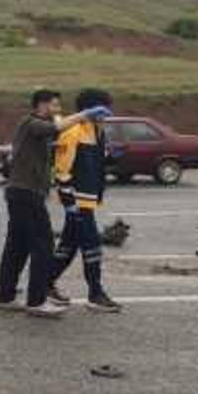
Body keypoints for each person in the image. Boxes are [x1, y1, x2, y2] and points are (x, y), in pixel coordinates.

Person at [0, 89, 111, 318]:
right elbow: (55, 129)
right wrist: (84, 114)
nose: (58, 111)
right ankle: (37, 301)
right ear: (42, 105)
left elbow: (57, 135)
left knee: (17, 247)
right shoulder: (31, 123)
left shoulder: (43, 128)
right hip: (26, 194)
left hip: (23, 193)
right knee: (43, 245)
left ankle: (5, 296)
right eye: (55, 106)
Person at [48, 88, 122, 312]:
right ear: (91, 108)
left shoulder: (96, 131)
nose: (108, 112)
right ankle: (95, 294)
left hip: (88, 199)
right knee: (91, 246)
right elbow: (61, 170)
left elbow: (92, 164)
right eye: (104, 108)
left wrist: (110, 157)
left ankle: (44, 284)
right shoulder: (74, 132)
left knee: (68, 246)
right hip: (78, 202)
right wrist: (69, 202)